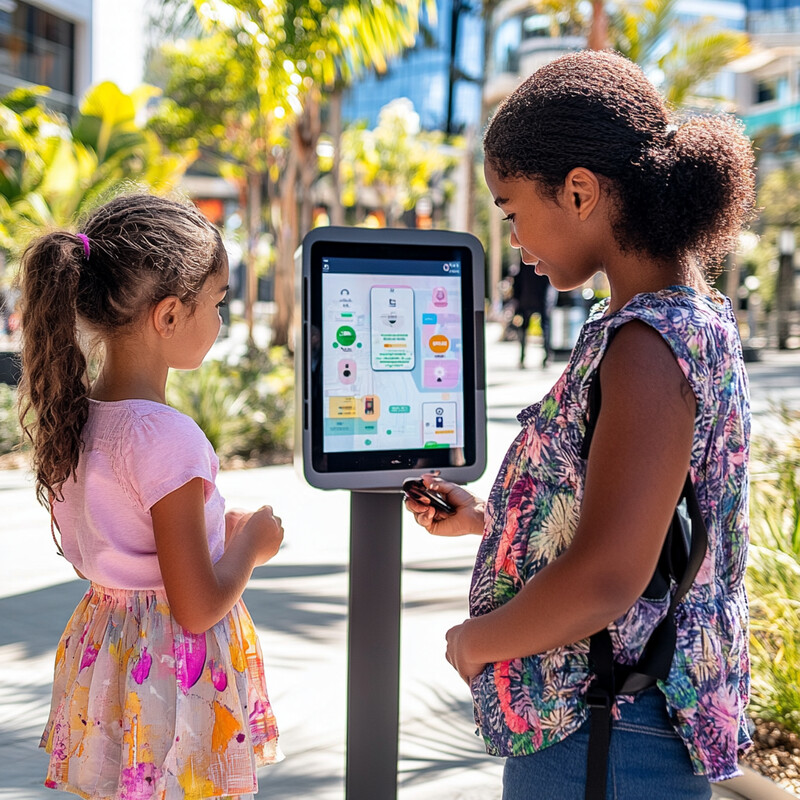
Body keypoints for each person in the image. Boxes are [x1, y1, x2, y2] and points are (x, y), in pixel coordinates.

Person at [406, 50, 755, 800]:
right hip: (619, 726)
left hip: (605, 734)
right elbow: (646, 527)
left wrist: (474, 644)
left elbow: (608, 577)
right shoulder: (672, 323)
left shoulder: (647, 348)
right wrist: (489, 525)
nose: (514, 241)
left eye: (511, 210)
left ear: (579, 192)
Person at [17, 194, 284, 799]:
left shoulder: (81, 417)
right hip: (169, 666)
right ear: (168, 316)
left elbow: (133, 536)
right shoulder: (167, 436)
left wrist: (216, 529)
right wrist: (250, 545)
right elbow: (196, 605)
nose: (221, 320)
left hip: (109, 647)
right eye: (216, 303)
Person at [511, 261, 555, 368]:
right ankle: (546, 357)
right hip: (540, 298)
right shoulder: (542, 257)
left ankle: (523, 358)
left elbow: (518, 278)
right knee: (545, 327)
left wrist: (517, 298)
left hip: (527, 298)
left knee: (525, 328)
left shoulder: (526, 258)